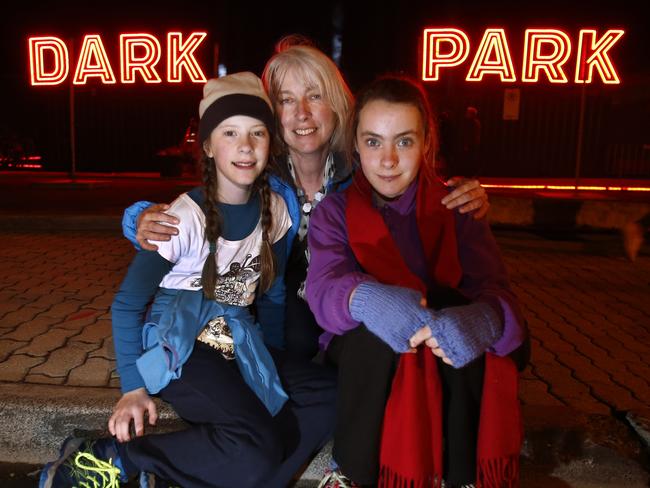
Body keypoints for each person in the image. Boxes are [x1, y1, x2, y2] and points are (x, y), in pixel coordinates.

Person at [40, 72, 336, 488]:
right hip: (181, 347)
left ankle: (247, 475)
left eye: (257, 133)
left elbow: (271, 296)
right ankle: (117, 457)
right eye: (230, 133)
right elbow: (127, 305)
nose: (246, 146)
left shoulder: (276, 212)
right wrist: (133, 389)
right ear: (208, 146)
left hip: (238, 341)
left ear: (270, 143)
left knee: (328, 393)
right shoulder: (181, 219)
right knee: (256, 444)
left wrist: (270, 364)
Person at [123, 38, 491, 362]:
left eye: (314, 96)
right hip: (277, 293)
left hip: (353, 287)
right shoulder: (258, 174)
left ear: (336, 104)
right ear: (271, 115)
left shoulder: (360, 168)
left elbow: (407, 182)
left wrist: (460, 193)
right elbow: (206, 202)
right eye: (286, 100)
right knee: (297, 337)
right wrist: (138, 217)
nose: (302, 113)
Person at [305, 75, 529, 488]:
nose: (388, 159)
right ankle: (354, 473)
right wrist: (367, 299)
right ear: (355, 144)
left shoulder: (456, 205)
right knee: (374, 337)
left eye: (404, 141)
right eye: (373, 142)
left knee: (454, 314)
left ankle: (463, 476)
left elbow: (497, 291)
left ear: (426, 143)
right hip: (362, 362)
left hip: (442, 354)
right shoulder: (335, 212)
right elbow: (322, 289)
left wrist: (482, 320)